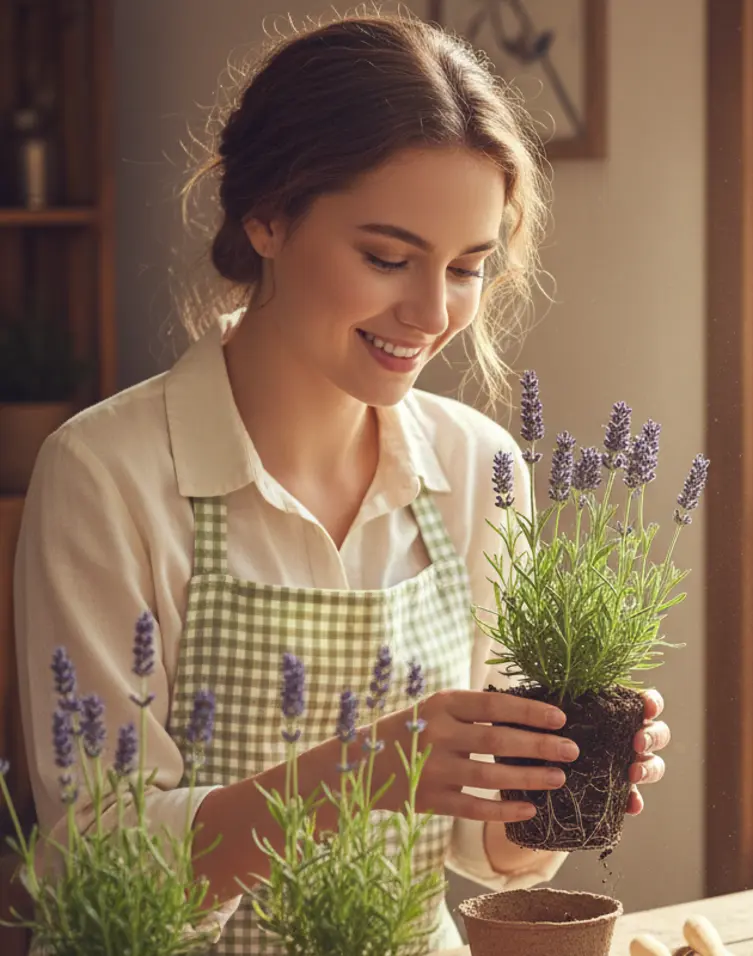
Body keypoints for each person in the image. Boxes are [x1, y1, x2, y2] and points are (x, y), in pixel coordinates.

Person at [13, 10, 670, 953]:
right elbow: (97, 867)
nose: (432, 311)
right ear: (268, 216)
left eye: (468, 267)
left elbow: (491, 853)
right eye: (387, 258)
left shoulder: (482, 468)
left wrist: (561, 779)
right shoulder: (106, 473)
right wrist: (370, 767)